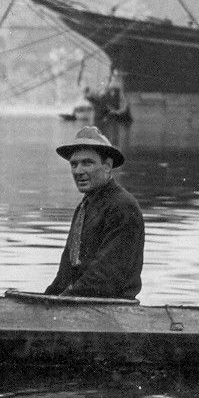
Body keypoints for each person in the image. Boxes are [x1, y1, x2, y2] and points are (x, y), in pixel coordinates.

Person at [44, 126, 145, 299]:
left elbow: (106, 276)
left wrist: (61, 300)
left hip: (112, 307)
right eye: (74, 164)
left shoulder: (122, 206)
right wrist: (47, 298)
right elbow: (66, 272)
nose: (78, 171)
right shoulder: (86, 206)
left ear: (107, 166)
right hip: (82, 302)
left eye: (87, 163)